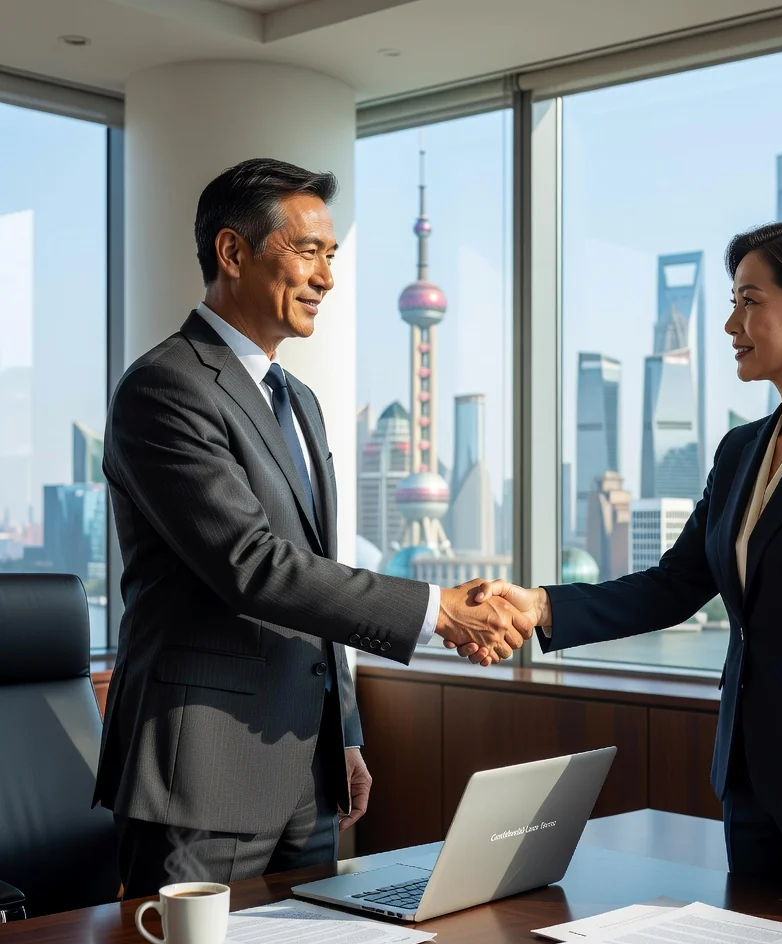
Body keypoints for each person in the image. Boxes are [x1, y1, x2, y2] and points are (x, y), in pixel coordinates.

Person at [454, 218, 782, 924]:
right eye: (732, 300)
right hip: (749, 781)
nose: (729, 323)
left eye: (749, 300)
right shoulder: (742, 450)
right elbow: (677, 583)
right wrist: (537, 606)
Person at [96, 158, 530, 898]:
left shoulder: (296, 399)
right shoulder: (164, 388)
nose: (327, 277)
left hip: (306, 772)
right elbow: (253, 567)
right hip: (203, 776)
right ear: (233, 253)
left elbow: (315, 571)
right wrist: (437, 610)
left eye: (332, 255)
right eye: (307, 251)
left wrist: (347, 736)